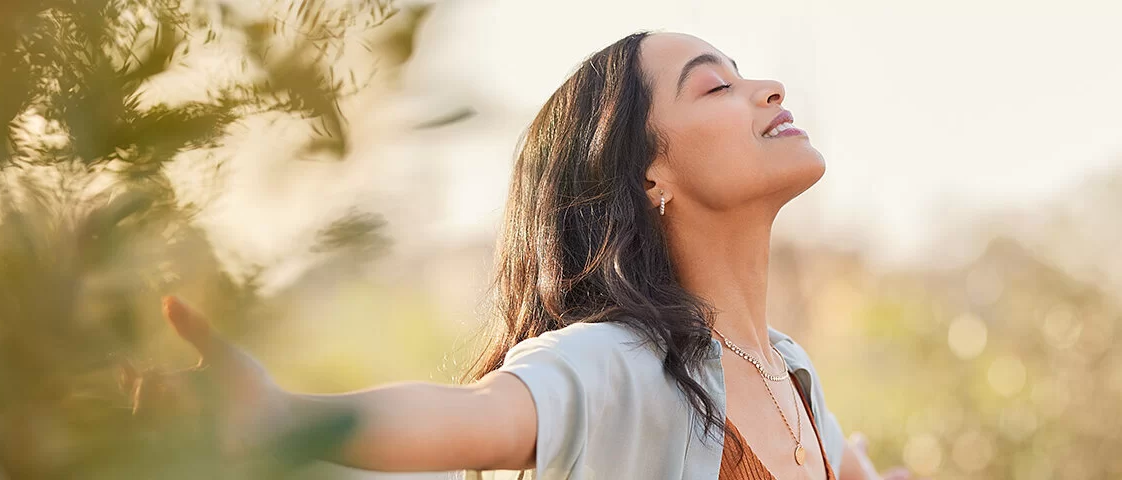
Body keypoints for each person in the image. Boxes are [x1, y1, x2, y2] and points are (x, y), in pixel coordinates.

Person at [142, 31, 912, 480]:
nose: (769, 89)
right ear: (649, 174)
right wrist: (283, 417)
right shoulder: (623, 362)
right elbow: (479, 413)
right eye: (716, 88)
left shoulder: (793, 373)